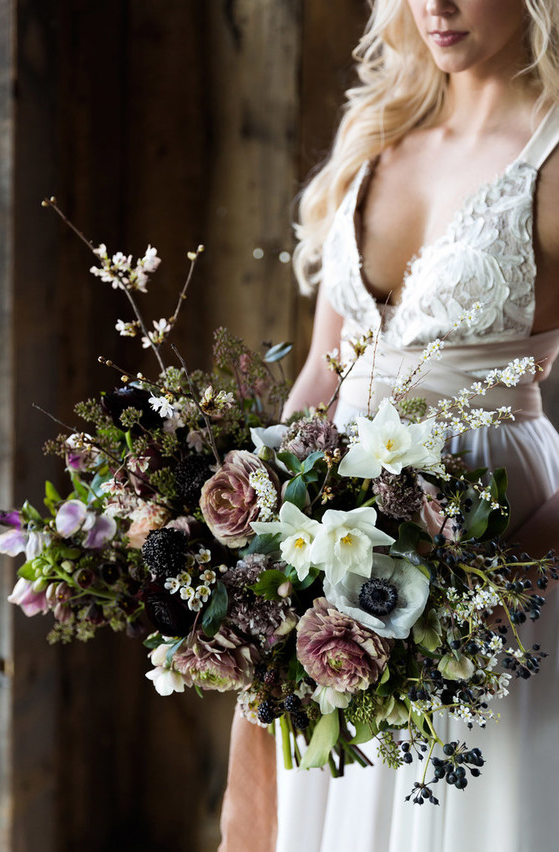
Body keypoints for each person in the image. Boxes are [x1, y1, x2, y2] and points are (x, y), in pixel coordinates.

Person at [220, 2, 559, 850]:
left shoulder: (551, 162)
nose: (435, 3)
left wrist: (494, 570)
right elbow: (324, 373)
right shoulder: (380, 135)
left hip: (496, 548)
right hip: (336, 558)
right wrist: (258, 520)